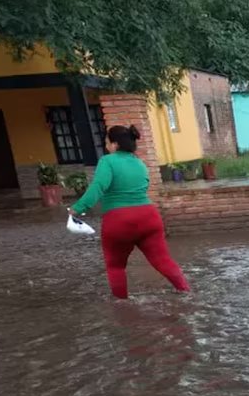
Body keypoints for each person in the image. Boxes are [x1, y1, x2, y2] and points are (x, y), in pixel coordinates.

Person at [69, 125, 190, 299]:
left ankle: (122, 307)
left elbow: (98, 186)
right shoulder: (139, 162)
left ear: (115, 144)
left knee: (116, 266)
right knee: (163, 260)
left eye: (107, 141)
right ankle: (186, 292)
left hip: (119, 220)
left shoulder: (107, 161)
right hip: (149, 217)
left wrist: (78, 208)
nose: (106, 145)